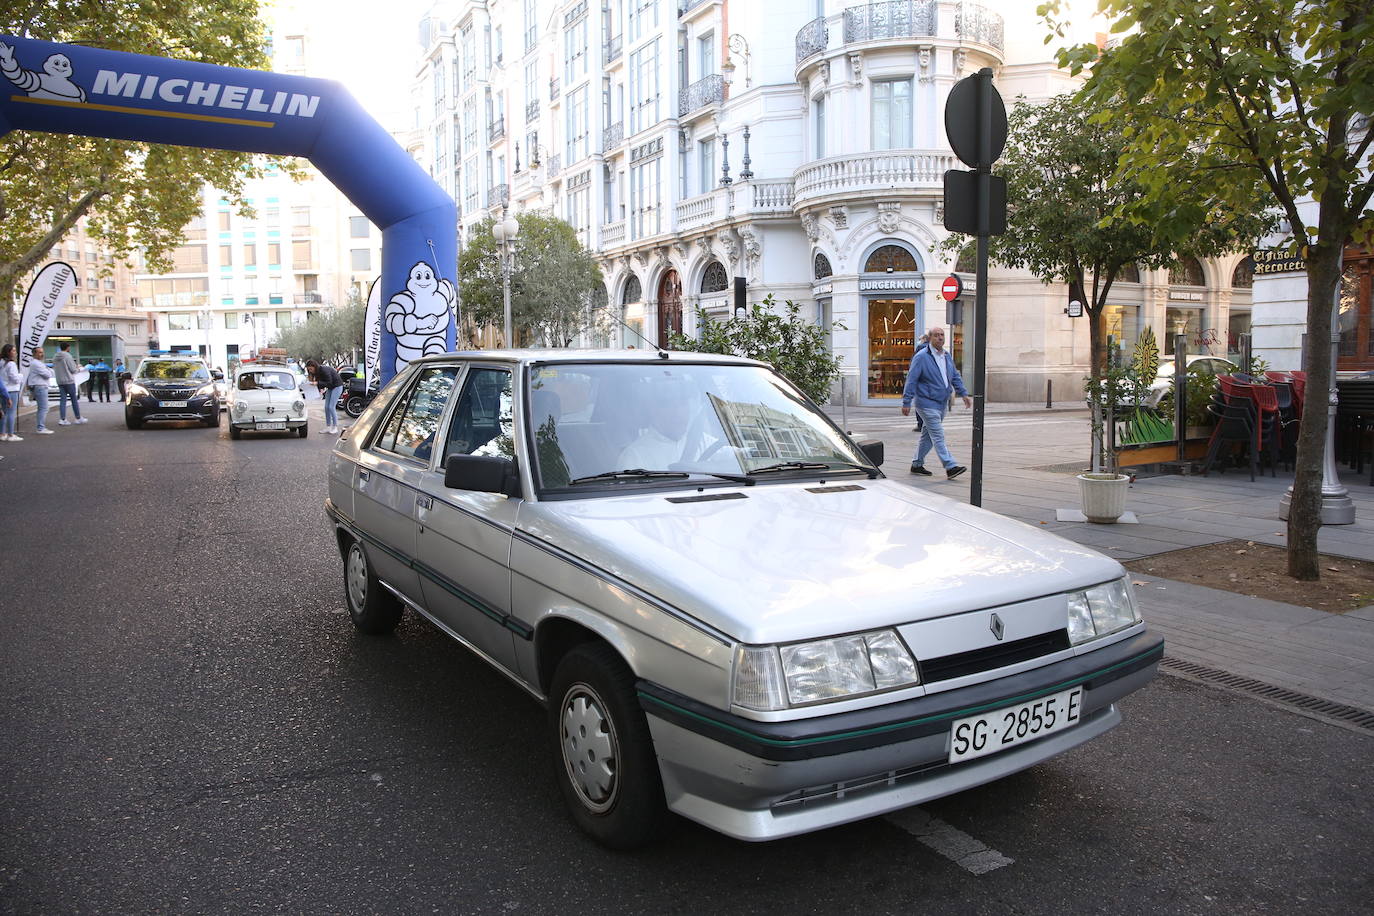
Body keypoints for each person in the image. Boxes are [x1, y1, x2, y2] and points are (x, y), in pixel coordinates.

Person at [900, 326, 971, 479]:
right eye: (936, 335)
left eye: (942, 335)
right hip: (926, 403)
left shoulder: (946, 355)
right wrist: (906, 401)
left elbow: (954, 376)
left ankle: (917, 464)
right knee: (938, 435)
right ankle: (950, 466)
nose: (940, 338)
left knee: (928, 436)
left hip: (941, 403)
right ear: (930, 338)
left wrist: (963, 393)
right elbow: (911, 380)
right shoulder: (922, 356)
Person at [616, 378, 695, 469]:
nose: (678, 412)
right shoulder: (634, 457)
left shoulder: (707, 444)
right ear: (653, 410)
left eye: (683, 403)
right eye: (669, 404)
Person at [305, 359, 343, 435]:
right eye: (309, 370)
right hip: (331, 387)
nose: (310, 371)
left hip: (337, 386)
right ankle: (328, 426)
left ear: (314, 366)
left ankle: (335, 427)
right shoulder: (317, 372)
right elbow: (322, 383)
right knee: (326, 407)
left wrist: (317, 383)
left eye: (311, 369)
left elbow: (329, 382)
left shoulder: (324, 370)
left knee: (331, 407)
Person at [52, 342, 85, 425]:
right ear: (67, 348)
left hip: (60, 380)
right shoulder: (67, 356)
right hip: (69, 380)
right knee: (74, 399)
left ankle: (62, 419)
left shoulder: (55, 357)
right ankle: (78, 418)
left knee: (63, 400)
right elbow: (73, 370)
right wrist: (80, 369)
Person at [24, 346, 54, 434]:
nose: (42, 354)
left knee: (42, 408)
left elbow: (50, 372)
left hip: (40, 386)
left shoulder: (38, 363)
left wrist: (48, 370)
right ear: (34, 353)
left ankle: (41, 427)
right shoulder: (36, 364)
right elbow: (48, 374)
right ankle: (41, 427)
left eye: (42, 352)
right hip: (40, 386)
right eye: (40, 352)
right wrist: (48, 370)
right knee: (43, 408)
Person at [0, 343, 19, 441]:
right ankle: (11, 434)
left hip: (3, 389)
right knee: (11, 413)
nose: (15, 353)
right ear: (9, 352)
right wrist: (21, 377)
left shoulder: (1, 362)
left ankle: (2, 433)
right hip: (12, 389)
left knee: (3, 412)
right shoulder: (11, 364)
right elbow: (15, 378)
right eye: (14, 351)